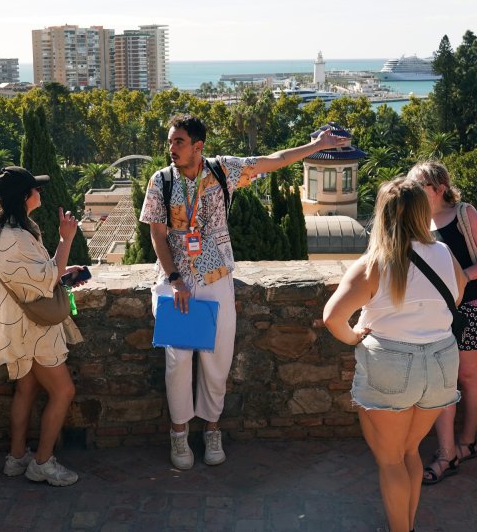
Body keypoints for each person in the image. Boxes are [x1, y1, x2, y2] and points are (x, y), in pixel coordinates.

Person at [141, 115, 349, 469]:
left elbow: (274, 159)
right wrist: (175, 279)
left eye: (178, 142)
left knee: (217, 358)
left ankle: (211, 430)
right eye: (170, 141)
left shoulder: (223, 171)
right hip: (176, 281)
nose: (171, 148)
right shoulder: (160, 181)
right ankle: (179, 435)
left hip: (217, 277)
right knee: (177, 361)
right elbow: (157, 236)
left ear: (198, 146)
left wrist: (316, 147)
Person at [322, 177, 467, 532]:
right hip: (441, 361)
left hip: (390, 363)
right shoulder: (445, 254)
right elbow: (458, 293)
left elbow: (332, 318)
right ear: (422, 213)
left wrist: (355, 336)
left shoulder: (374, 263)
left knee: (390, 461)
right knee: (409, 453)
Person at [0, 166, 88, 487]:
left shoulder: (10, 231)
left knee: (26, 389)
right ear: (25, 196)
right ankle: (42, 462)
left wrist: (63, 268)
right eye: (35, 189)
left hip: (19, 323)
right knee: (63, 390)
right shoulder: (14, 237)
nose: (40, 194)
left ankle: (16, 457)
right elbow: (45, 281)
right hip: (34, 328)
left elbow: (39, 272)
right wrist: (66, 238)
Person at [407, 161, 477, 485]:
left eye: (419, 186)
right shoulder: (415, 219)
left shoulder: (464, 215)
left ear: (439, 188)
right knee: (443, 381)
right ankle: (447, 451)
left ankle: (466, 442)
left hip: (473, 305)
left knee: (467, 375)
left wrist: (462, 276)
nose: (412, 193)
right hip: (436, 311)